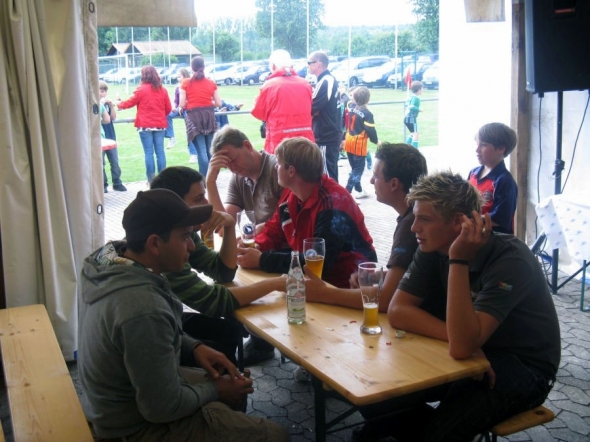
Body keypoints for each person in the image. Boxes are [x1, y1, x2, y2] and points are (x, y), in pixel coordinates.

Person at [360, 171, 560, 442]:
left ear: (458, 222)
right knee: (375, 398)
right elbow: (397, 311)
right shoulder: (433, 246)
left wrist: (458, 260)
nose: (414, 228)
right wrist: (462, 342)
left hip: (523, 365)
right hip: (469, 346)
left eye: (424, 219)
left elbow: (461, 346)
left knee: (437, 435)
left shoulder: (511, 259)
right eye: (415, 217)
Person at [78, 188, 289, 441]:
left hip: (113, 402)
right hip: (131, 427)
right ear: (154, 243)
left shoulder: (109, 262)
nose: (191, 246)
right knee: (275, 435)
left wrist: (194, 347)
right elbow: (162, 408)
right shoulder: (142, 308)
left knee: (228, 385)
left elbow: (142, 338)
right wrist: (215, 390)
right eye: (185, 237)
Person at [150, 167, 287, 365]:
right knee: (220, 340)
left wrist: (229, 226)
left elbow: (222, 272)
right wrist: (276, 283)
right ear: (175, 204)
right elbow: (214, 303)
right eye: (199, 199)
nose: (207, 204)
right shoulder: (166, 246)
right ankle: (224, 380)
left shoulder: (181, 231)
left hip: (167, 319)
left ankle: (231, 376)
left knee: (228, 331)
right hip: (154, 338)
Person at [237, 137, 377, 289]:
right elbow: (273, 231)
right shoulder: (290, 195)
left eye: (279, 163)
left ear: (291, 171)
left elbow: (318, 261)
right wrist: (256, 246)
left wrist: (262, 260)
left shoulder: (332, 203)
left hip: (348, 286)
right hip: (316, 282)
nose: (275, 167)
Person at [305, 143, 429, 314]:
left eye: (376, 176)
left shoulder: (411, 225)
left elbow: (384, 300)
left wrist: (324, 293)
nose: (371, 181)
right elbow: (410, 274)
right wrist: (379, 276)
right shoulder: (412, 216)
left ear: (394, 184)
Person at [207, 125, 283, 234]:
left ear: (248, 146)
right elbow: (223, 228)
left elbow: (291, 221)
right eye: (227, 165)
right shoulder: (238, 178)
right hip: (262, 241)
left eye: (233, 160)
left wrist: (258, 231)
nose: (232, 168)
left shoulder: (277, 170)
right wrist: (210, 182)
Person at [251, 49, 315, 154]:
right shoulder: (305, 84)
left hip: (279, 141)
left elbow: (258, 112)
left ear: (273, 66)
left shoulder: (269, 86)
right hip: (305, 141)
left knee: (279, 164)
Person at [117, 65, 171, 183]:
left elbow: (130, 102)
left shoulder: (141, 89)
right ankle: (164, 179)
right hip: (160, 124)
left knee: (148, 152)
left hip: (145, 125)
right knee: (160, 152)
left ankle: (151, 180)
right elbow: (168, 108)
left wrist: (119, 104)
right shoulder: (163, 90)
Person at [468, 122, 518, 234]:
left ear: (501, 148)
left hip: (495, 239)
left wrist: (468, 218)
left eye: (483, 145)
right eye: (477, 144)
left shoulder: (504, 181)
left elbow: (500, 218)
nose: (477, 150)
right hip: (473, 234)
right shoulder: (473, 173)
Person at [180, 56, 222, 176]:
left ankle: (204, 178)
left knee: (201, 152)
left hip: (194, 118)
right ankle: (212, 177)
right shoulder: (211, 83)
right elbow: (219, 103)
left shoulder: (186, 82)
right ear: (203, 67)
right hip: (209, 117)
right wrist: (208, 103)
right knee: (210, 150)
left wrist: (191, 104)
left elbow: (181, 104)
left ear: (191, 67)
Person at [307, 51, 342, 182]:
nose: (308, 66)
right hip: (330, 134)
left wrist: (313, 110)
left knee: (327, 179)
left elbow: (311, 107)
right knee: (330, 175)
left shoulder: (326, 81)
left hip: (326, 136)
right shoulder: (328, 79)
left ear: (318, 64)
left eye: (309, 63)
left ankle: (334, 197)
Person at [344, 86, 379, 199]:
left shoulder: (350, 106)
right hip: (358, 145)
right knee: (357, 171)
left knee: (354, 168)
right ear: (368, 100)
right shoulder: (367, 114)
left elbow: (346, 99)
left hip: (349, 142)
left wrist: (344, 93)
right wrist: (376, 141)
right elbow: (370, 130)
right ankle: (346, 193)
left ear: (354, 98)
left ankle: (359, 190)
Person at [99, 81, 126, 193]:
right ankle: (103, 185)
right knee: (101, 163)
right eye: (101, 91)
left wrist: (111, 106)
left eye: (105, 91)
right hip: (100, 137)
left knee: (114, 161)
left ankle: (117, 182)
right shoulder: (96, 105)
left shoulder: (105, 104)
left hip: (110, 134)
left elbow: (113, 118)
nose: (103, 94)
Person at [403, 80, 423, 148]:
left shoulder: (411, 97)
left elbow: (407, 104)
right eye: (422, 89)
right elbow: (411, 106)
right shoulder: (415, 98)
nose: (422, 90)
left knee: (413, 133)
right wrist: (419, 109)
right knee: (416, 134)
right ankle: (415, 150)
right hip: (411, 118)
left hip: (407, 118)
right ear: (418, 89)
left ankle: (405, 148)